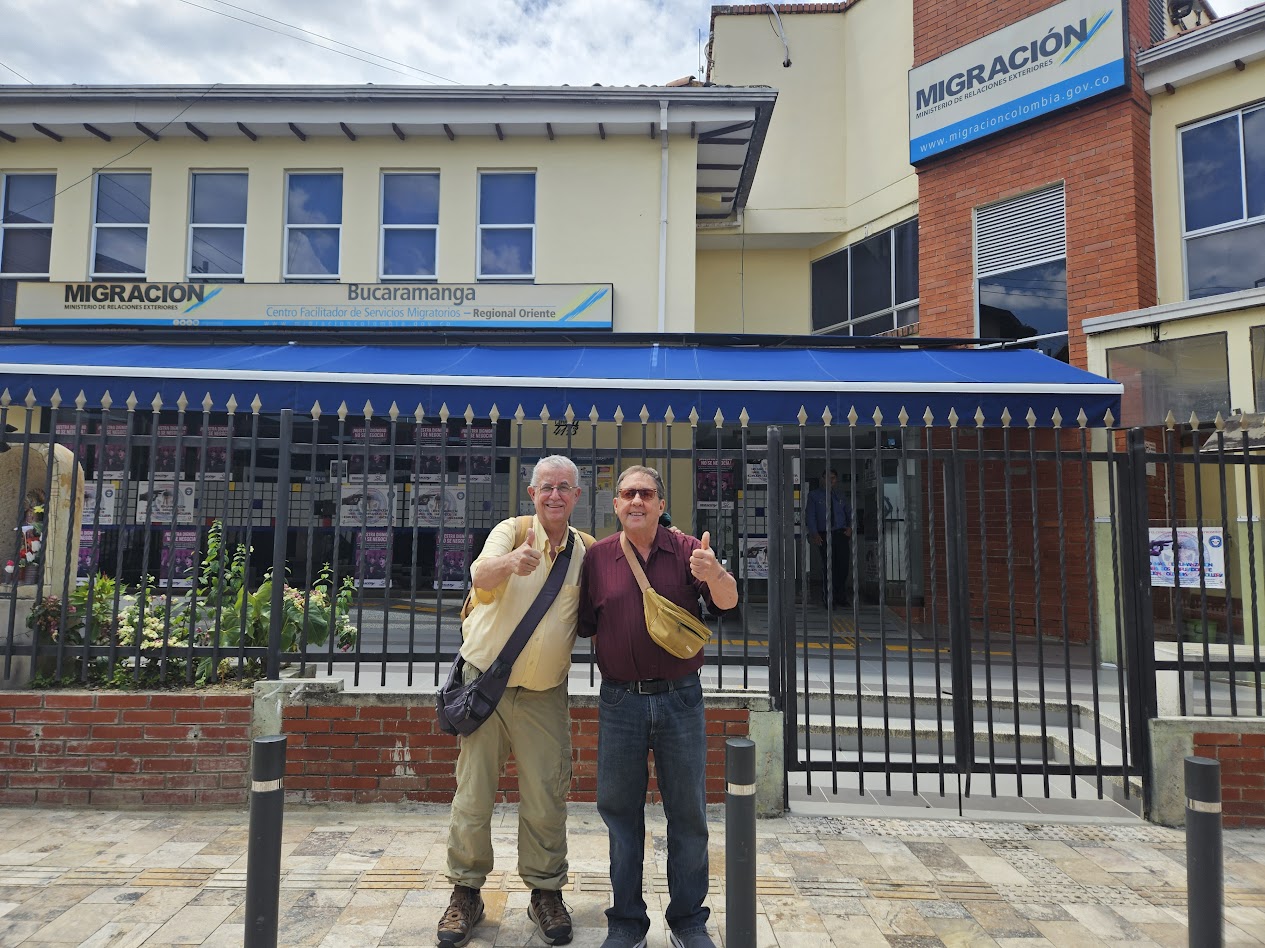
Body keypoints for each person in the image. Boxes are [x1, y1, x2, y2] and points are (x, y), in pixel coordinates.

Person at [578, 465, 738, 948]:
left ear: (661, 504)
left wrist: (717, 573)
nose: (636, 502)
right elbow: (585, 623)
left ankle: (688, 920)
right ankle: (626, 922)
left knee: (688, 814)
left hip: (680, 701)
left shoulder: (691, 551)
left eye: (646, 493)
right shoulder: (599, 558)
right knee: (620, 814)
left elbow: (728, 603)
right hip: (620, 701)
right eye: (627, 494)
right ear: (616, 504)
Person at [437, 456, 586, 948]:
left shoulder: (584, 551)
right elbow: (481, 573)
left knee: (546, 796)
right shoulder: (511, 530)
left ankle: (545, 892)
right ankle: (466, 892)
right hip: (487, 687)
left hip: (544, 695)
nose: (555, 495)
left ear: (577, 497)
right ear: (531, 492)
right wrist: (511, 563)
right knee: (474, 795)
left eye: (564, 487)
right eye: (546, 487)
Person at [806, 468, 852, 608]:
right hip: (824, 535)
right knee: (828, 567)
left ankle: (841, 597)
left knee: (843, 567)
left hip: (840, 534)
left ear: (836, 480)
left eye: (833, 478)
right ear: (822, 479)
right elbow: (811, 516)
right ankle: (828, 599)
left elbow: (849, 512)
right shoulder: (814, 496)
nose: (830, 480)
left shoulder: (840, 495)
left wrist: (850, 527)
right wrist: (814, 533)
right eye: (827, 477)